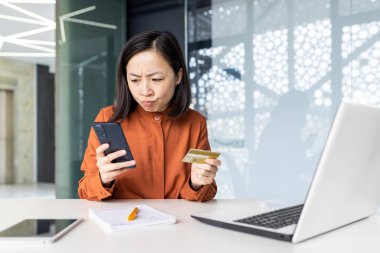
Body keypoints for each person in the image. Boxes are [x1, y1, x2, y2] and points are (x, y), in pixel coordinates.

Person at [78, 31, 221, 202]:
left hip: (176, 225)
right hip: (124, 224)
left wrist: (197, 182)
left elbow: (205, 192)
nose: (145, 92)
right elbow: (85, 190)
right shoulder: (108, 118)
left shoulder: (195, 122)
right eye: (135, 80)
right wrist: (103, 179)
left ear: (178, 76)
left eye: (156, 79)